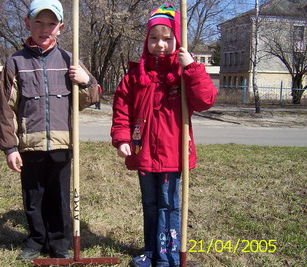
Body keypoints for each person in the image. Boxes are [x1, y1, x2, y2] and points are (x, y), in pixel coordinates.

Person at [111, 3, 217, 267]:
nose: (160, 45)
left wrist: (191, 68)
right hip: (143, 152)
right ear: (146, 40)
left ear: (177, 41)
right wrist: (122, 138)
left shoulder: (184, 74)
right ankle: (151, 250)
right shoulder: (135, 76)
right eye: (154, 38)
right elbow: (121, 109)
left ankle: (168, 253)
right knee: (150, 202)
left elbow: (205, 100)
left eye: (167, 39)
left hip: (173, 153)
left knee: (169, 204)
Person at [0, 0, 98, 261]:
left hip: (63, 143)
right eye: (38, 23)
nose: (44, 29)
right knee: (33, 196)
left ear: (61, 28)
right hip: (30, 144)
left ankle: (59, 242)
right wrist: (10, 147)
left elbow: (91, 98)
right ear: (27, 24)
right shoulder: (15, 62)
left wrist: (85, 81)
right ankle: (36, 240)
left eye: (51, 24)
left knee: (60, 197)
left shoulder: (68, 60)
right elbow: (7, 108)